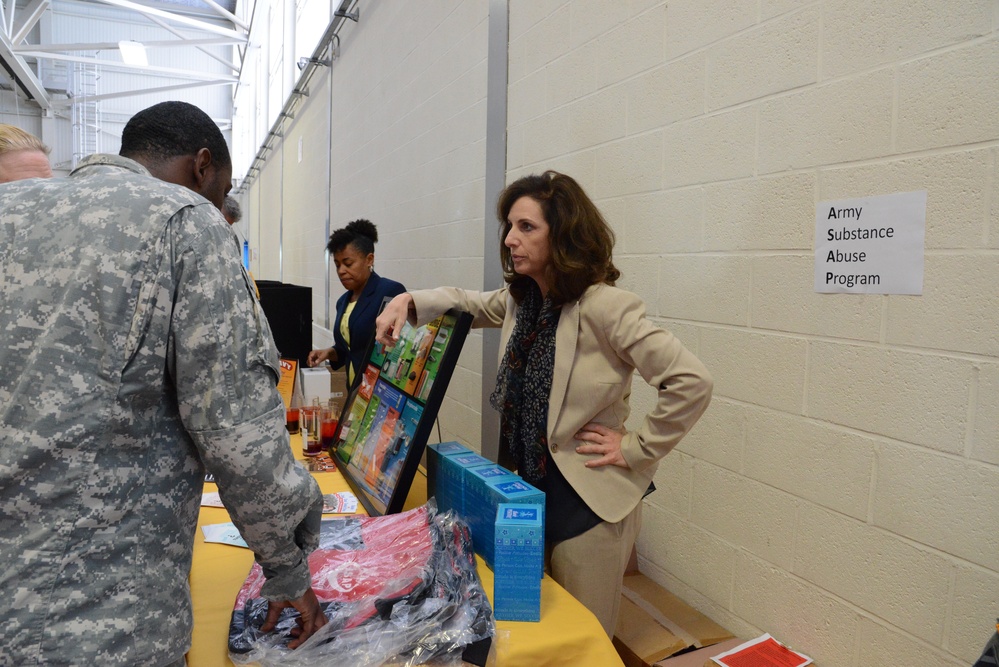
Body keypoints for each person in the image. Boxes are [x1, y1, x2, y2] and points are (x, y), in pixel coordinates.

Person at [0, 101, 326, 665]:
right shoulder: (185, 221)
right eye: (222, 193)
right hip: (104, 624)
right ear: (204, 168)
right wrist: (288, 569)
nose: (221, 207)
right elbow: (237, 434)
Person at [375, 170, 713, 636]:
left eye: (527, 227)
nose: (511, 239)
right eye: (510, 226)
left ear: (566, 236)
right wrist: (406, 300)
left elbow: (691, 381)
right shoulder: (524, 300)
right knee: (539, 631)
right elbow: (465, 302)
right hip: (530, 494)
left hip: (587, 504)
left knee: (582, 640)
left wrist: (635, 449)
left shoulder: (607, 307)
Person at [307, 219, 406, 386]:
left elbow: (397, 348)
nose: (341, 271)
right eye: (337, 265)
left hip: (381, 390)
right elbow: (350, 349)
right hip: (355, 390)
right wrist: (329, 353)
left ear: (369, 260)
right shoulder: (343, 302)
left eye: (348, 263)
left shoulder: (390, 292)